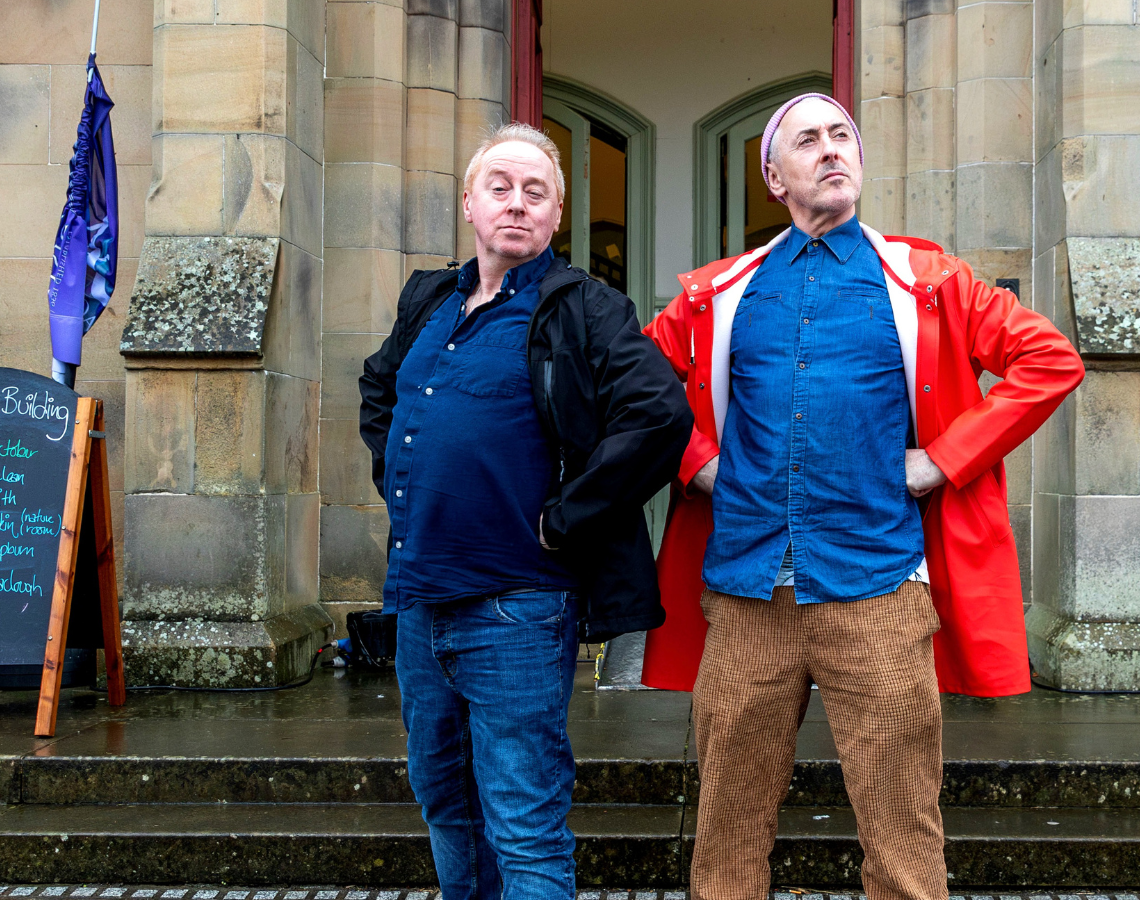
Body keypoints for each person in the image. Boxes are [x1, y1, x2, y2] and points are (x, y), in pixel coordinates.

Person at [638, 94, 1086, 900]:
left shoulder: (928, 282)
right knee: (727, 837)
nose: (830, 149)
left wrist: (944, 460)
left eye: (842, 135)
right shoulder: (721, 294)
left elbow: (1049, 360)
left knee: (903, 839)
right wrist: (694, 458)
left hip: (879, 589)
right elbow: (629, 383)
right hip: (746, 596)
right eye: (807, 140)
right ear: (775, 176)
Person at [358, 123, 692, 900]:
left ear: (555, 214)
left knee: (522, 819)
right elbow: (379, 390)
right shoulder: (430, 298)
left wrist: (566, 518)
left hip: (517, 607)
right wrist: (400, 479)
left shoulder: (584, 307)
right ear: (470, 204)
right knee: (444, 798)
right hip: (418, 601)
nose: (516, 203)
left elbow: (658, 417)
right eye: (500, 187)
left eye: (534, 192)